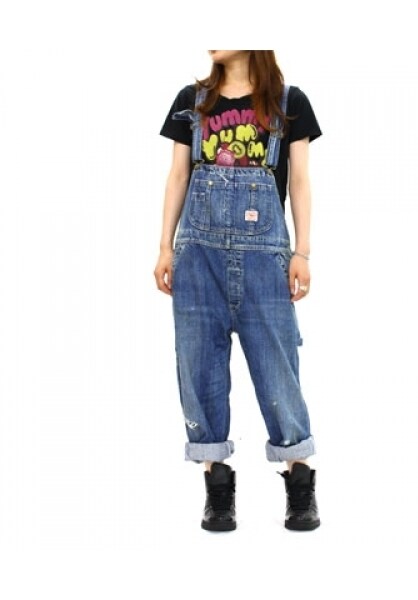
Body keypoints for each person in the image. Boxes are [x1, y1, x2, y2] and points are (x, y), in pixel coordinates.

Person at [154, 50, 322, 532]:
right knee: (199, 365)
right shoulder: (191, 102)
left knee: (277, 367)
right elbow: (178, 176)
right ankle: (217, 485)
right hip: (197, 255)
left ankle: (299, 481)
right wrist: (164, 246)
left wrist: (303, 251)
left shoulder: (289, 102)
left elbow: (300, 181)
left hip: (265, 259)